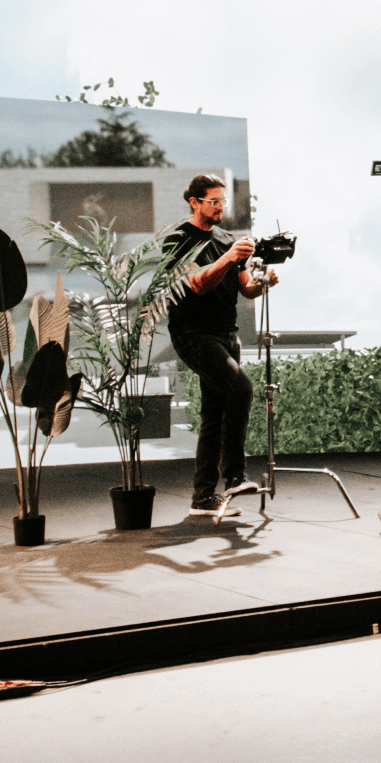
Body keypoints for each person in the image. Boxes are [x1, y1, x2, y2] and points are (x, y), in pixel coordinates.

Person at [159, 174, 275, 518]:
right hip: (193, 333)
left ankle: (202, 497)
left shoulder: (226, 238)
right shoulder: (179, 239)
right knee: (241, 387)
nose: (220, 207)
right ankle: (235, 476)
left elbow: (245, 289)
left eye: (223, 201)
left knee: (213, 415)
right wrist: (228, 257)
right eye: (213, 201)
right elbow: (197, 283)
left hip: (227, 333)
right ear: (194, 202)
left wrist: (264, 283)